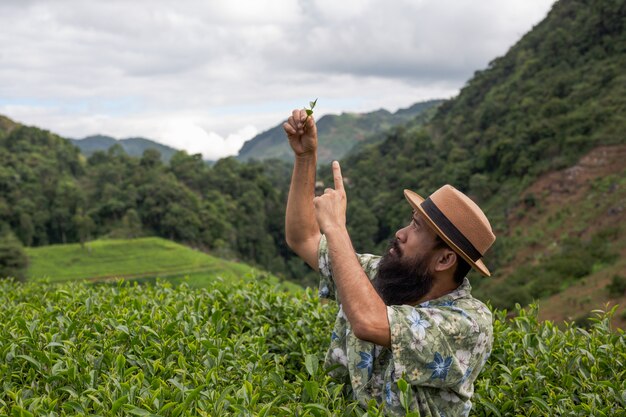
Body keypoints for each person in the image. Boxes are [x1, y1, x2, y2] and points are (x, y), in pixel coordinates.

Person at [283, 109, 495, 417]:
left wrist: (337, 228)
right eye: (411, 221)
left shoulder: (470, 323)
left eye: (417, 228)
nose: (401, 234)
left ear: (446, 258)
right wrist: (305, 158)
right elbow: (302, 238)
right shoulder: (383, 275)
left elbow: (370, 322)